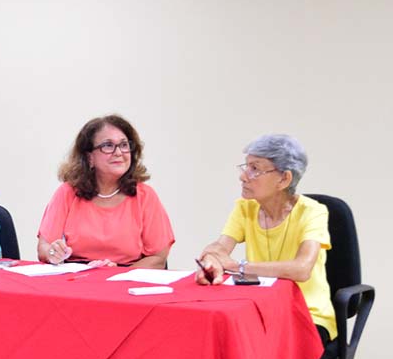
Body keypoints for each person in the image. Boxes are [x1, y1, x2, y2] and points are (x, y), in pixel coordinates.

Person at [195, 134, 335, 345]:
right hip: (263, 310)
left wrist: (235, 266)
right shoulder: (246, 208)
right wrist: (211, 261)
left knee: (250, 349)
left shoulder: (312, 212)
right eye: (246, 167)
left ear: (284, 179)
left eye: (255, 169)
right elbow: (220, 247)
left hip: (308, 316)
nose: (243, 177)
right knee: (215, 338)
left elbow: (301, 269)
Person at [37, 114, 174, 268]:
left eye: (124, 145)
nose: (119, 152)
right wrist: (53, 253)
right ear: (89, 157)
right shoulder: (67, 192)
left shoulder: (145, 196)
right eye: (108, 145)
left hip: (127, 276)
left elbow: (158, 258)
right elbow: (44, 248)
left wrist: (116, 276)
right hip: (78, 276)